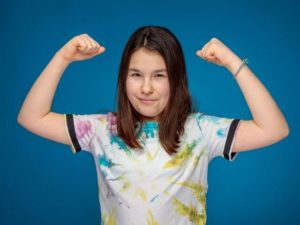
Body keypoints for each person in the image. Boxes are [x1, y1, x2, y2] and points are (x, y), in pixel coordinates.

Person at [17, 26, 289, 225]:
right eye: (136, 75)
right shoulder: (102, 130)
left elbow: (274, 129)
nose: (146, 88)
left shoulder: (201, 132)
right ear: (124, 78)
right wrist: (62, 57)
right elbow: (31, 117)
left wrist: (233, 62)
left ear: (176, 79)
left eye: (159, 76)